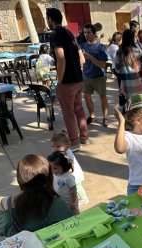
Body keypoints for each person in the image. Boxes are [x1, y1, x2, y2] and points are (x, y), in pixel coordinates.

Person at [0, 154, 72, 237]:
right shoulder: (59, 204)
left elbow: (0, 230)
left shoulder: (6, 204)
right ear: (49, 177)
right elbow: (70, 226)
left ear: (19, 179)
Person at [46, 8, 89, 152]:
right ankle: (84, 137)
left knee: (68, 112)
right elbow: (81, 59)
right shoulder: (69, 33)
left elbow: (61, 57)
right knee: (78, 109)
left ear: (50, 19)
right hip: (78, 79)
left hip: (67, 82)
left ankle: (74, 142)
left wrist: (60, 80)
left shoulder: (55, 34)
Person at [81, 23, 109, 127]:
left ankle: (105, 118)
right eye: (85, 32)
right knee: (87, 97)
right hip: (87, 76)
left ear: (94, 34)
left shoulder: (101, 47)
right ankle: (92, 116)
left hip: (99, 76)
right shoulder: (83, 46)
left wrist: (90, 57)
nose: (86, 34)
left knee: (103, 97)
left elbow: (102, 64)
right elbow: (82, 61)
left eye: (88, 32)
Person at [51, 130, 89, 205]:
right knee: (72, 187)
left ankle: (84, 199)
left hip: (75, 174)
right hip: (70, 175)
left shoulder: (67, 153)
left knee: (77, 186)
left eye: (58, 146)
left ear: (66, 145)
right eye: (53, 146)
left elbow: (70, 163)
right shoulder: (60, 152)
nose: (55, 148)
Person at [114, 29, 142, 110]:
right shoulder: (138, 51)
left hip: (126, 85)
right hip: (139, 84)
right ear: (133, 38)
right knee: (139, 109)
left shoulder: (119, 52)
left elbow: (117, 69)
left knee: (127, 109)